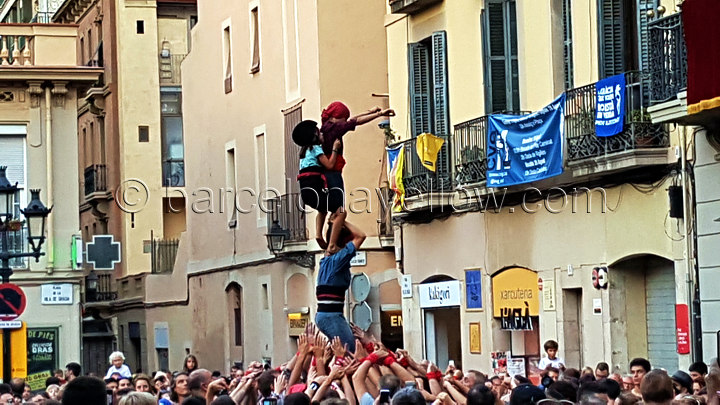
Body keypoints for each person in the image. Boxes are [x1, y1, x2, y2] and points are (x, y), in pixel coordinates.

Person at [319, 101, 394, 253]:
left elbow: (352, 120)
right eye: (343, 118)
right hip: (333, 173)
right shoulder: (335, 129)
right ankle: (332, 244)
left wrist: (370, 110)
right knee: (340, 211)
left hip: (325, 174)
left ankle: (321, 235)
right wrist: (379, 114)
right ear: (336, 117)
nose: (345, 121)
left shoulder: (327, 127)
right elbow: (356, 122)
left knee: (329, 209)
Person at [315, 217, 366, 352]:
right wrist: (342, 220)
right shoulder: (338, 260)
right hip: (331, 316)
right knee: (350, 351)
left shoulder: (326, 259)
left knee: (345, 349)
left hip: (328, 315)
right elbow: (361, 236)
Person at [292, 119, 344, 251]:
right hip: (315, 191)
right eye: (320, 133)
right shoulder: (316, 149)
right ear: (314, 136)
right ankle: (332, 244)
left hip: (307, 194)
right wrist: (335, 149)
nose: (322, 135)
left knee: (322, 209)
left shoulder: (304, 153)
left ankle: (318, 234)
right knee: (341, 211)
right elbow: (330, 165)